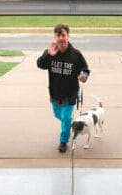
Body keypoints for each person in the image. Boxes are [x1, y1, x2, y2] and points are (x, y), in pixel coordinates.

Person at [36, 23, 89, 153]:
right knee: (58, 115)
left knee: (65, 118)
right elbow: (40, 64)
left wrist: (83, 76)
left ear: (68, 36)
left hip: (70, 93)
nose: (61, 38)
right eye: (58, 35)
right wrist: (49, 55)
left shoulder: (76, 54)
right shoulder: (50, 52)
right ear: (55, 37)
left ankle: (63, 141)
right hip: (55, 93)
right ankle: (69, 123)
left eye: (63, 35)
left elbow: (85, 69)